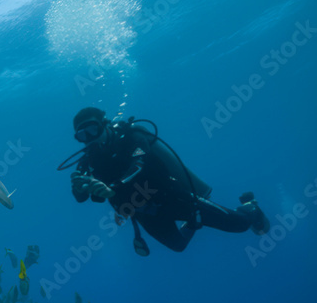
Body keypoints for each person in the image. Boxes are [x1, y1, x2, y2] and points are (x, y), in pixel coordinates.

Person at [68, 107, 270, 255]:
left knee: (240, 225)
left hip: (172, 197)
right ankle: (193, 223)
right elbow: (80, 197)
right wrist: (79, 186)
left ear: (104, 123)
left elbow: (139, 164)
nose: (89, 138)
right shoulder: (89, 159)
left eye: (92, 130)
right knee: (178, 246)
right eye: (82, 135)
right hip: (143, 213)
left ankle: (250, 206)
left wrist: (113, 187)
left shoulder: (133, 136)